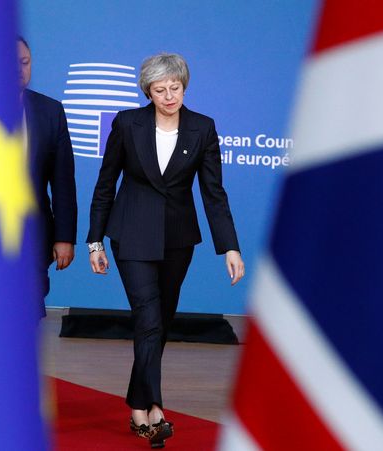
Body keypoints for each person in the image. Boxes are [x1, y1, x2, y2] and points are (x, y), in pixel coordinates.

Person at [87, 53, 244, 447]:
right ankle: (149, 409)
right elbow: (106, 183)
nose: (169, 95)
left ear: (184, 86)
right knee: (149, 319)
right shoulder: (127, 123)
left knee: (162, 321)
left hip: (177, 240)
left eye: (175, 87)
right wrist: (95, 240)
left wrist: (230, 247)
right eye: (160, 89)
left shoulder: (202, 128)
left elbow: (213, 193)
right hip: (131, 235)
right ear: (148, 91)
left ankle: (141, 399)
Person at [18, 36, 77, 317]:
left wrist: (64, 237)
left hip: (33, 235)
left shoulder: (50, 110)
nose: (19, 69)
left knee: (28, 314)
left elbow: (63, 181)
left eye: (25, 62)